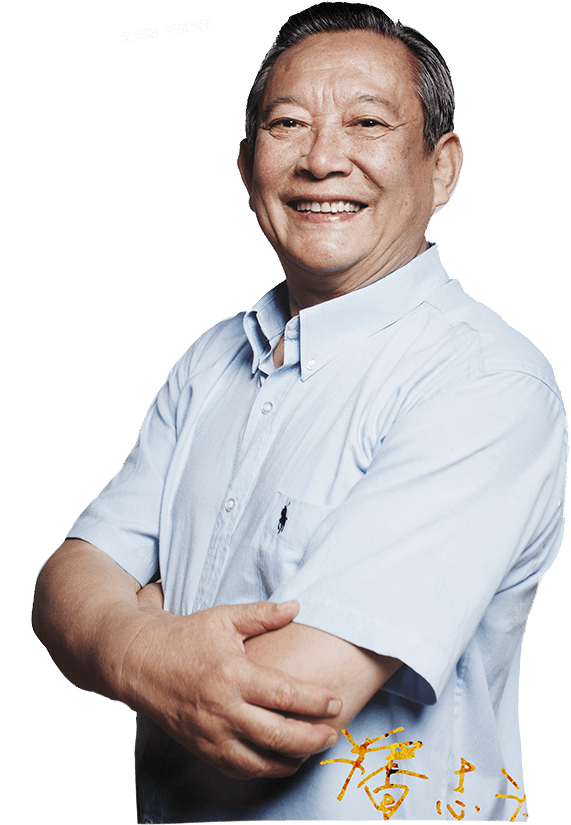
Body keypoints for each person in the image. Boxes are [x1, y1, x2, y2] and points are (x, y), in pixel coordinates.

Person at [33, 4, 567, 821]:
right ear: (246, 167)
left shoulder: (484, 382)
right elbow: (63, 583)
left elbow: (283, 702)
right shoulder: (211, 358)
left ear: (442, 169)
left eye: (366, 122)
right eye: (287, 124)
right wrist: (137, 640)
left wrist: (124, 623)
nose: (321, 159)